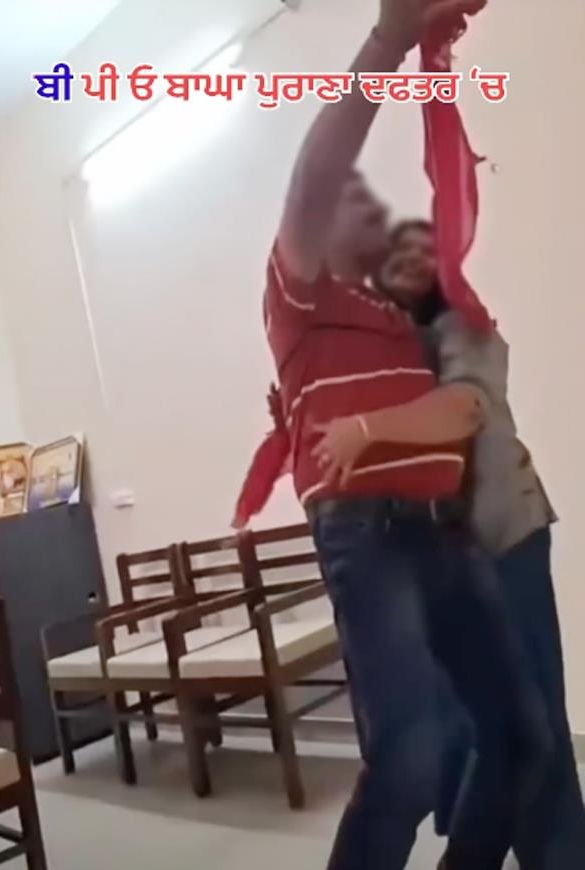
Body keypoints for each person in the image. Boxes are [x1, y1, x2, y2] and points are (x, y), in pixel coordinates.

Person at [254, 1, 552, 868]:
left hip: (448, 532)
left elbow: (467, 393)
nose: (364, 211)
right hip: (369, 530)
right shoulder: (299, 296)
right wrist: (390, 41)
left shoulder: (403, 317)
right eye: (348, 205)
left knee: (519, 740)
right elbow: (317, 175)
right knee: (412, 755)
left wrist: (439, 60)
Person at [314, 218, 585, 868]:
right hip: (438, 556)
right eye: (398, 254)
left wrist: (365, 427)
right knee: (485, 730)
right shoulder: (396, 348)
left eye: (423, 251)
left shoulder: (465, 323)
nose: (411, 260)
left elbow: (465, 407)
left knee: (535, 725)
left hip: (503, 537)